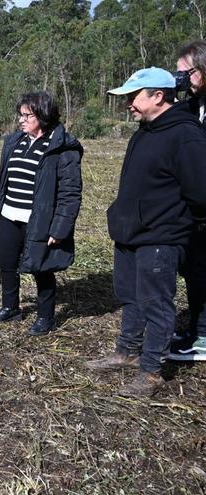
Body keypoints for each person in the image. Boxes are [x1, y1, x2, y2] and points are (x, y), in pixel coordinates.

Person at [85, 68, 206, 396]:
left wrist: (173, 221)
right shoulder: (145, 130)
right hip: (129, 232)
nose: (128, 104)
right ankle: (127, 351)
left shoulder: (186, 134)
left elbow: (200, 193)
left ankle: (151, 372)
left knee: (156, 303)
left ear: (158, 96)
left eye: (133, 96)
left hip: (160, 236)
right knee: (130, 296)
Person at [0, 91, 83, 336]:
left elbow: (70, 193)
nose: (21, 120)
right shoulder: (16, 141)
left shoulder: (62, 147)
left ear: (43, 116)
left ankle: (46, 317)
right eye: (20, 115)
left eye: (27, 115)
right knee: (6, 263)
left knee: (41, 267)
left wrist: (59, 228)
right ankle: (10, 307)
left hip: (38, 220)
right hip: (8, 215)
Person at [169, 40, 206, 361]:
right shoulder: (193, 104)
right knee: (194, 269)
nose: (181, 79)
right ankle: (196, 326)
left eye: (187, 73)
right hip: (195, 207)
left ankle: (204, 337)